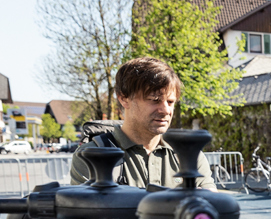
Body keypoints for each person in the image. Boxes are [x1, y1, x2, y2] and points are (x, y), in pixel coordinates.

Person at [70, 57, 216, 189]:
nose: (166, 110)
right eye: (155, 100)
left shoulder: (189, 155)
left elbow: (211, 208)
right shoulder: (91, 156)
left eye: (170, 102)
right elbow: (85, 217)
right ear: (124, 98)